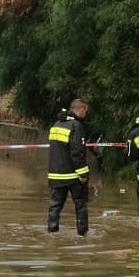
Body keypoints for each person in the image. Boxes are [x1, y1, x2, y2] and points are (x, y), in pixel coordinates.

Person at [47, 98, 91, 235]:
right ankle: (83, 234)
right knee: (80, 205)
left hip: (55, 174)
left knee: (55, 206)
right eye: (86, 111)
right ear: (81, 109)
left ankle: (52, 232)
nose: (86, 114)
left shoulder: (56, 124)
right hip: (73, 176)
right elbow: (77, 152)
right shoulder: (76, 126)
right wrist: (83, 174)